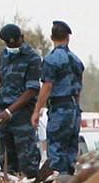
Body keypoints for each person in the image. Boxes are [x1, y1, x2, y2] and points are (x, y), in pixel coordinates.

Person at [32, 20, 85, 173]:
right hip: (74, 108)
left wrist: (37, 110)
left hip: (59, 107)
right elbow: (78, 89)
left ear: (51, 37)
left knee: (56, 149)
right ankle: (69, 180)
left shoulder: (51, 60)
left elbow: (47, 86)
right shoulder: (77, 61)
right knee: (70, 150)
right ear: (68, 38)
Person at [0, 24, 43, 175]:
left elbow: (32, 90)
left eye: (15, 42)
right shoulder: (4, 55)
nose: (12, 46)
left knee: (27, 163)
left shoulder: (32, 58)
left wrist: (9, 111)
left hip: (22, 114)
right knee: (6, 162)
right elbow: (3, 70)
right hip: (4, 114)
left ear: (22, 38)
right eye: (8, 43)